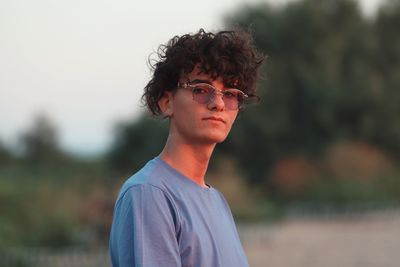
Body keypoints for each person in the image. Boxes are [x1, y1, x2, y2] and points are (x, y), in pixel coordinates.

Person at [109, 28, 264, 267]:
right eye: (201, 90)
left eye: (231, 93)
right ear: (167, 102)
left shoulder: (217, 201)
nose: (218, 103)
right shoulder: (149, 194)